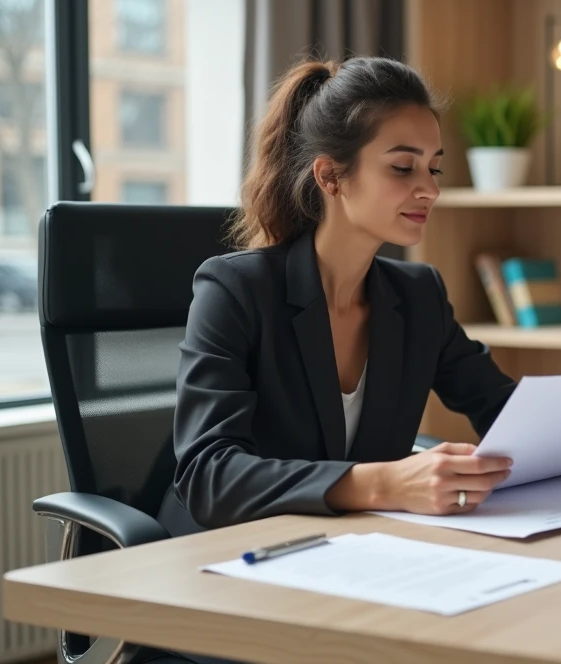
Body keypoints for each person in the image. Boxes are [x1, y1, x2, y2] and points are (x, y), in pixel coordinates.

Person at [157, 56, 516, 537]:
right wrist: (384, 483)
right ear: (329, 176)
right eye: (403, 167)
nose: (430, 189)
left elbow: (505, 410)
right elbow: (208, 477)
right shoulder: (235, 290)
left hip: (349, 548)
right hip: (228, 550)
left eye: (434, 168)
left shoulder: (418, 296)